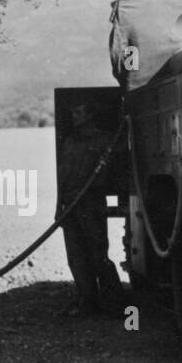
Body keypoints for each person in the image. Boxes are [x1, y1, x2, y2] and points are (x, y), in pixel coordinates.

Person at [58, 101, 127, 316]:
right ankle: (87, 302)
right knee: (76, 256)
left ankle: (116, 305)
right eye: (72, 112)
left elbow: (121, 165)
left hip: (91, 202)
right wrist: (58, 207)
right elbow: (62, 177)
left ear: (89, 115)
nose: (73, 115)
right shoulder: (69, 142)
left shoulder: (105, 141)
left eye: (77, 111)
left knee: (98, 255)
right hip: (69, 204)